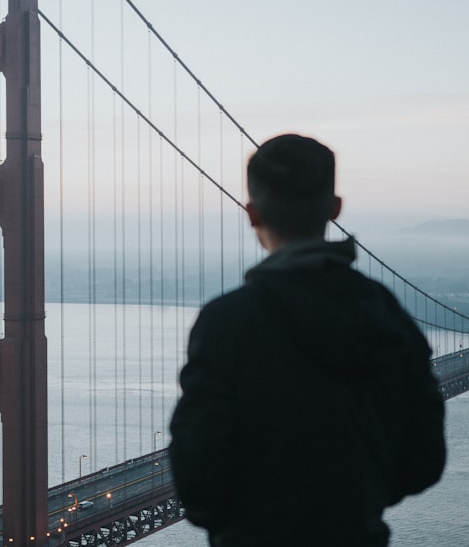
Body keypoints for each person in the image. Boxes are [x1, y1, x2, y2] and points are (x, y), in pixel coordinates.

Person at [168, 134, 445, 546]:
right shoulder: (384, 313)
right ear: (335, 209)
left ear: (251, 213)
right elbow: (423, 458)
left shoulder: (226, 322)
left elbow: (196, 471)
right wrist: (355, 501)